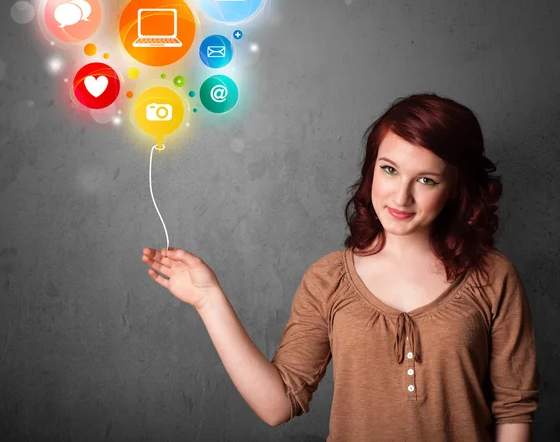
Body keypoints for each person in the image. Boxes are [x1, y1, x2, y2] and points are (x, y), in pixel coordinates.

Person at [141, 93, 540, 441]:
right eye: (389, 169)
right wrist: (209, 301)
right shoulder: (328, 278)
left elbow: (514, 410)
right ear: (371, 170)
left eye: (427, 180)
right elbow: (278, 404)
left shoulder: (493, 276)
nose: (401, 195)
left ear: (454, 187)